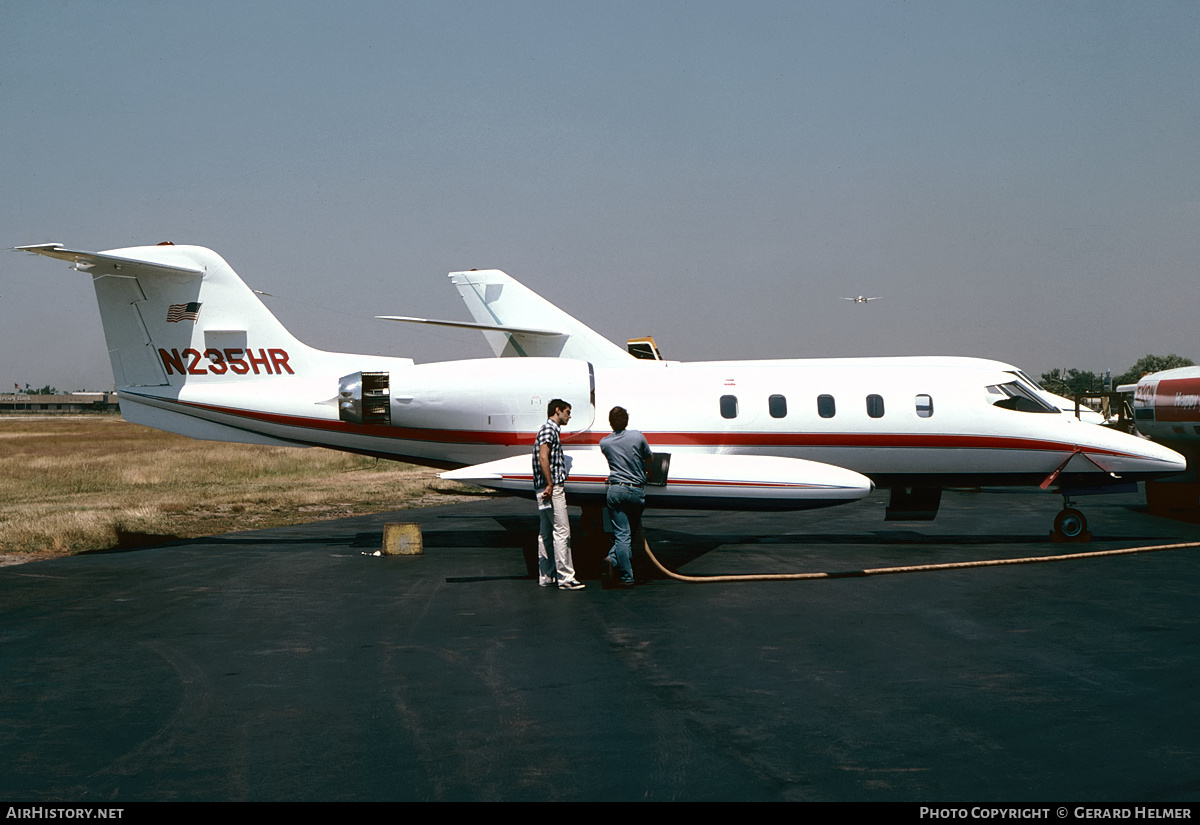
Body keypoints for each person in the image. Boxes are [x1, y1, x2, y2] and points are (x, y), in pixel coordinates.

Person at [533, 399, 584, 590]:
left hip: (543, 488)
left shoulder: (548, 430)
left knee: (545, 532)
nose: (569, 416)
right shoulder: (549, 430)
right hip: (552, 489)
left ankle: (546, 575)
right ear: (557, 410)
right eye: (567, 412)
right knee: (562, 531)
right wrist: (550, 484)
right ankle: (566, 577)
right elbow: (543, 456)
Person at [599, 406, 653, 587]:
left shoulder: (604, 443)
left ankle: (612, 560)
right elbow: (649, 458)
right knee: (626, 534)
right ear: (627, 421)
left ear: (610, 423)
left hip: (615, 491)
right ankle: (626, 576)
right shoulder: (637, 436)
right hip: (636, 491)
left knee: (623, 534)